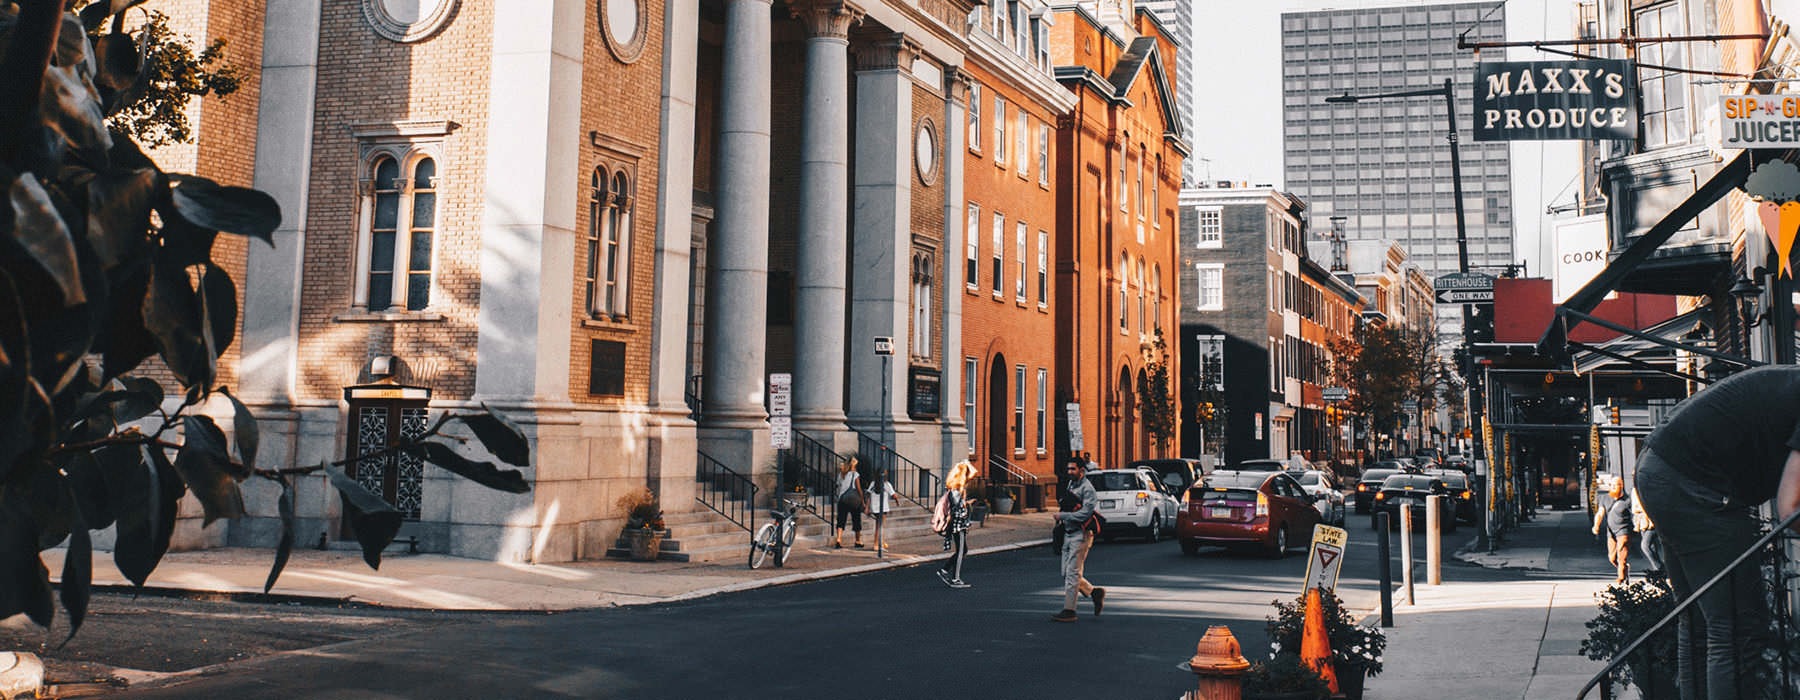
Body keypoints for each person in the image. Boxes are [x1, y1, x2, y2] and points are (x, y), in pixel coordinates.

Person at [1636, 365, 1800, 699]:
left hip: (1661, 468)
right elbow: (1791, 505)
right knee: (1737, 628)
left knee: (1697, 624)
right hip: (1693, 483)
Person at [1051, 460, 1106, 622]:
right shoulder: (1071, 484)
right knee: (1066, 573)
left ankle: (1069, 610)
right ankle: (1094, 592)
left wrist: (1063, 516)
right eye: (1068, 468)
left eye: (1072, 469)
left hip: (1081, 535)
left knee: (1073, 574)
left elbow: (1085, 514)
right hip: (1068, 533)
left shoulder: (1088, 489)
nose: (1069, 471)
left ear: (1081, 470)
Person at [936, 461, 975, 588]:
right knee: (961, 551)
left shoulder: (955, 489)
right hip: (958, 525)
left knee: (963, 550)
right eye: (964, 474)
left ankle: (945, 570)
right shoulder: (955, 490)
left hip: (958, 524)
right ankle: (955, 578)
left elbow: (973, 473)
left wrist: (967, 503)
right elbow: (957, 509)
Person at [1591, 478, 1634, 583]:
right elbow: (1600, 513)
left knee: (1621, 556)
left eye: (1616, 485)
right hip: (1611, 532)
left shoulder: (1627, 500)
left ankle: (1621, 578)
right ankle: (1625, 569)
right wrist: (1596, 525)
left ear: (1622, 486)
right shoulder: (1604, 498)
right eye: (1612, 485)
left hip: (1624, 531)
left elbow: (1634, 514)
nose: (1613, 487)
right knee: (1612, 558)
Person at [1632, 488, 1665, 580]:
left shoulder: (1646, 486)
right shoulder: (1635, 488)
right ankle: (1658, 572)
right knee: (1652, 547)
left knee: (1645, 546)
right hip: (1641, 520)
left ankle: (1661, 568)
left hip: (1651, 519)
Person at [832, 459, 863, 549]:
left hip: (842, 499)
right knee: (856, 519)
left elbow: (838, 486)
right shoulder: (855, 474)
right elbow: (858, 488)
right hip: (853, 500)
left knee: (841, 520)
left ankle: (838, 540)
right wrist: (862, 500)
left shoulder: (841, 474)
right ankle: (857, 541)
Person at [866, 467, 896, 555]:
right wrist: (897, 500)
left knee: (879, 525)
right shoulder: (886, 484)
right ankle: (876, 544)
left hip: (875, 508)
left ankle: (882, 542)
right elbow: (894, 495)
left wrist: (867, 507)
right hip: (883, 508)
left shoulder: (873, 483)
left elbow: (868, 494)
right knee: (880, 526)